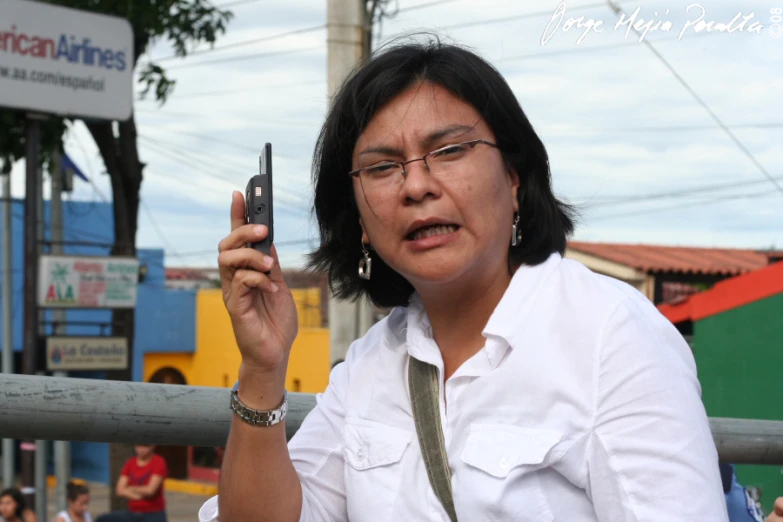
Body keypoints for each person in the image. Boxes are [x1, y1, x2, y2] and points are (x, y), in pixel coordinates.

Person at [202, 39, 731, 521]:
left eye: (449, 151)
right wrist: (263, 368)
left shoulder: (610, 336)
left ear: (515, 177)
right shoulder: (369, 367)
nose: (415, 185)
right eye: (382, 167)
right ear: (360, 222)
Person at [96, 445, 167, 522]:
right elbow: (120, 490)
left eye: (145, 446)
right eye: (138, 446)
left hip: (153, 513)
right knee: (103, 519)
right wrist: (138, 496)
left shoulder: (158, 462)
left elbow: (150, 490)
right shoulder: (130, 463)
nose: (141, 449)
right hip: (133, 512)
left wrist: (131, 488)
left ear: (152, 446)